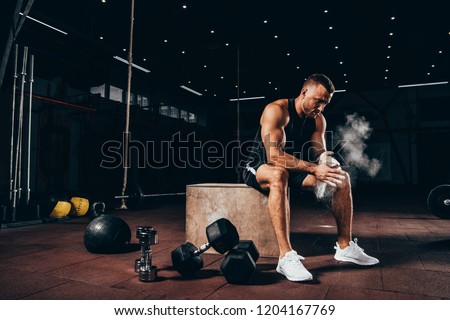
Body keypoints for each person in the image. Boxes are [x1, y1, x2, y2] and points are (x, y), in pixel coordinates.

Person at [241, 73, 379, 282]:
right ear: (304, 92)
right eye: (318, 101)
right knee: (278, 174)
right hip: (260, 166)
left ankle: (345, 247)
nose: (321, 107)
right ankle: (285, 257)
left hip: (294, 169)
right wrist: (315, 169)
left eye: (325, 102)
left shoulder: (318, 119)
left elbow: (318, 151)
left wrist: (326, 161)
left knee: (341, 179)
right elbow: (274, 155)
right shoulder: (277, 111)